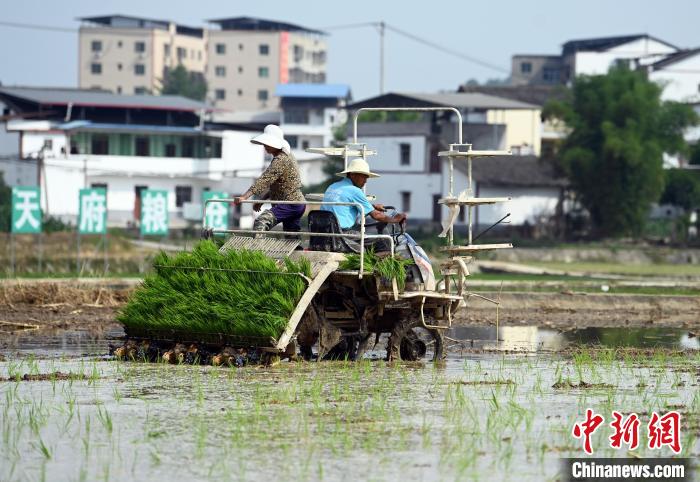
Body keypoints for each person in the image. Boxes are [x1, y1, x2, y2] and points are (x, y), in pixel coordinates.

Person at [321, 158, 407, 252]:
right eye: (364, 177)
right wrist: (396, 219)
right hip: (341, 234)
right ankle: (378, 266)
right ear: (353, 175)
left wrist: (372, 207)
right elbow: (376, 215)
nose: (366, 181)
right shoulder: (354, 191)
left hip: (324, 232)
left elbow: (345, 205)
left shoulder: (333, 186)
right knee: (384, 241)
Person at [234, 125, 305, 235]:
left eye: (268, 144)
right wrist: (262, 200)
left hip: (290, 204)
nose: (265, 146)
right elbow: (276, 185)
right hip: (295, 203)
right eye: (264, 144)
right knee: (291, 237)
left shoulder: (281, 159)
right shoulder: (284, 156)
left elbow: (265, 179)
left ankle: (257, 250)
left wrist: (244, 197)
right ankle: (297, 251)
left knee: (261, 221)